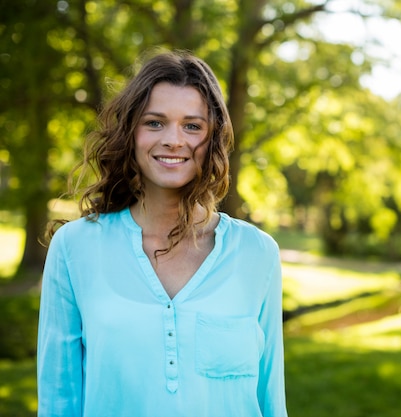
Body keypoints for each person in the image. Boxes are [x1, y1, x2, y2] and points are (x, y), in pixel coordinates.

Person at [37, 50, 288, 417]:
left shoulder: (258, 253)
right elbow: (59, 401)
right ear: (131, 133)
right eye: (155, 122)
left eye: (192, 126)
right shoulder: (75, 248)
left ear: (213, 137)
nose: (173, 140)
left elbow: (271, 399)